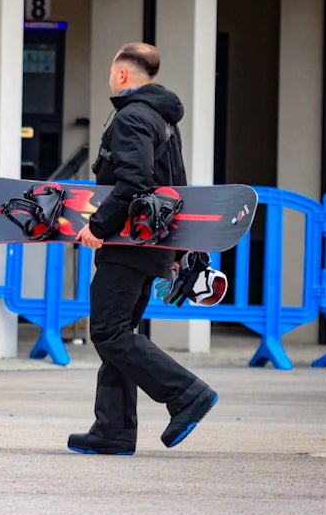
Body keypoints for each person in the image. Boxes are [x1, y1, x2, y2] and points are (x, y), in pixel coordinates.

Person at [69, 42, 217, 455]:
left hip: (128, 244)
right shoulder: (161, 119)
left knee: (108, 331)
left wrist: (98, 226)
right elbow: (176, 185)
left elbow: (134, 181)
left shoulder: (132, 117)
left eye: (110, 72)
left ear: (122, 75)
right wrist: (177, 250)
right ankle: (113, 431)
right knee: (119, 333)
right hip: (151, 243)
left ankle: (186, 393)